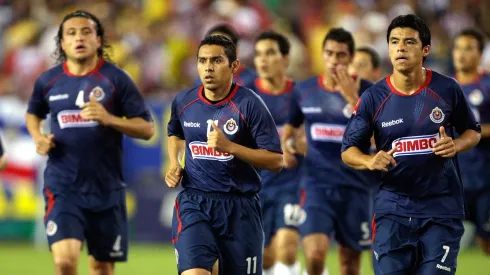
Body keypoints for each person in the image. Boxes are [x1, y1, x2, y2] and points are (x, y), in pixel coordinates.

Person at [341, 14, 481, 275]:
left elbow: (472, 131)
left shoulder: (447, 89)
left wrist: (456, 145)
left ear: (425, 49)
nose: (400, 48)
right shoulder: (374, 97)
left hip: (441, 209)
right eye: (394, 42)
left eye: (408, 42)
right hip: (393, 209)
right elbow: (348, 151)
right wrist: (369, 160)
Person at [25, 10, 153, 275]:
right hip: (63, 186)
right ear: (61, 43)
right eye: (71, 33)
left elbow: (147, 128)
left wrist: (109, 118)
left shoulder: (116, 79)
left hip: (107, 188)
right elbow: (33, 113)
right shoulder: (48, 81)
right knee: (65, 262)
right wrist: (38, 137)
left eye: (86, 32)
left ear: (99, 40)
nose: (78, 38)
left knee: (102, 267)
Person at [166, 35, 283, 275]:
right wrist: (174, 164)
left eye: (217, 60)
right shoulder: (184, 102)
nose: (208, 67)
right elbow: (175, 134)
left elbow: (275, 160)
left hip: (241, 208)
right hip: (195, 202)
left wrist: (231, 148)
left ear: (234, 66)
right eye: (202, 60)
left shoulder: (250, 104)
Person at [283, 28, 374, 275]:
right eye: (329, 53)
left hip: (356, 187)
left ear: (351, 57)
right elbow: (289, 130)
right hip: (316, 186)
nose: (334, 60)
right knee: (314, 257)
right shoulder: (304, 90)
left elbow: (379, 139)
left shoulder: (370, 93)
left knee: (349, 265)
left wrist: (352, 99)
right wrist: (288, 148)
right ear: (321, 55)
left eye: (341, 55)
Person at [250, 31, 305, 275]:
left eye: (270, 53)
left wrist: (300, 145)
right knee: (266, 258)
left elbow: (313, 139)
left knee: (288, 249)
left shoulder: (301, 95)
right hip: (256, 186)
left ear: (285, 59)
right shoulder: (245, 96)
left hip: (291, 184)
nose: (263, 60)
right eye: (259, 54)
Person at [452, 28, 490, 256]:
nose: (461, 54)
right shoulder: (444, 87)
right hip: (453, 180)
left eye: (468, 48)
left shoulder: (487, 84)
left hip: (485, 179)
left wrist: (470, 133)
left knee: (486, 243)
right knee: (438, 240)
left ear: (479, 53)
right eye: (457, 48)